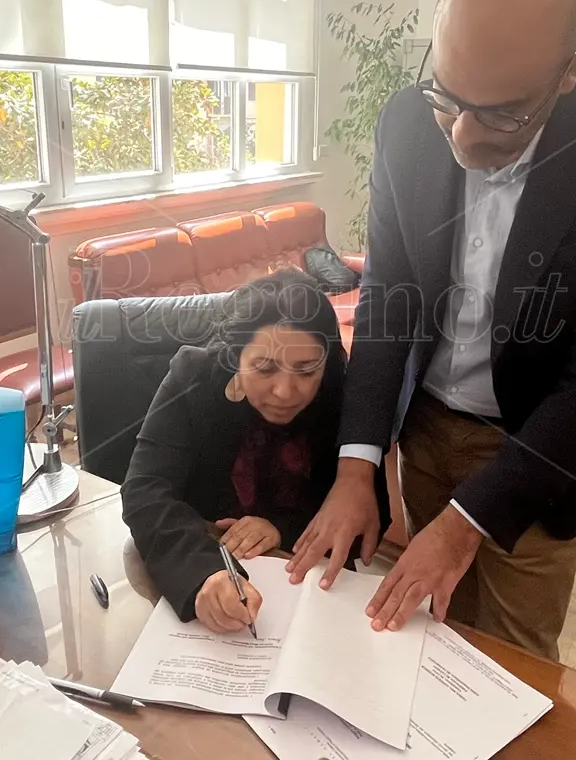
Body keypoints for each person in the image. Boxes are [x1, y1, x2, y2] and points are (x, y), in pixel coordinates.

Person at [286, 0, 576, 660]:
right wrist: (355, 466)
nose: (464, 137)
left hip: (541, 450)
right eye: (448, 96)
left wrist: (466, 523)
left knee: (514, 669)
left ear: (569, 70)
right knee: (427, 644)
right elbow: (388, 300)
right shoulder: (407, 123)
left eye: (503, 113)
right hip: (426, 428)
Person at [122, 269, 384, 633]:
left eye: (306, 370)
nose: (285, 391)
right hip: (197, 561)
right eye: (264, 367)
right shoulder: (193, 377)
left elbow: (369, 517)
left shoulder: (342, 395)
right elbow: (145, 489)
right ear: (236, 356)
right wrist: (204, 573)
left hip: (308, 585)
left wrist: (282, 529)